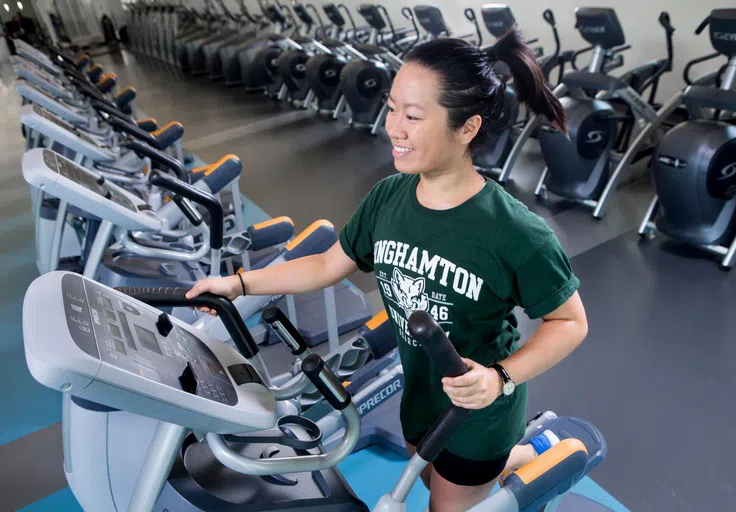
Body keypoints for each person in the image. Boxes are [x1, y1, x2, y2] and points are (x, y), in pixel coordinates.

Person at [186, 25, 588, 512]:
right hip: (419, 395)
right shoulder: (390, 197)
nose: (393, 126)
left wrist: (500, 377)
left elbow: (569, 322)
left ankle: (520, 453)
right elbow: (327, 265)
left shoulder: (516, 232)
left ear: (468, 128)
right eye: (393, 107)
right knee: (424, 474)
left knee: (445, 501)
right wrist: (239, 283)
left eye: (413, 116)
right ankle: (529, 450)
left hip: (477, 412)